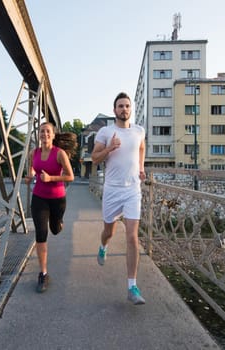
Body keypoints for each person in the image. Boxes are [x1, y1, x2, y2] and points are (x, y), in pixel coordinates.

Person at [91, 92, 146, 305]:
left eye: (127, 106)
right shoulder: (106, 131)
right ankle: (103, 246)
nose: (124, 109)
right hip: (112, 190)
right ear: (114, 110)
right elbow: (95, 159)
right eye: (120, 106)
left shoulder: (139, 131)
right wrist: (110, 148)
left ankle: (132, 286)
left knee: (132, 237)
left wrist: (141, 167)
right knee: (109, 231)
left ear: (131, 109)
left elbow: (141, 148)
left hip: (133, 190)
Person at [25, 122, 77, 293]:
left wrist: (51, 178)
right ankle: (43, 273)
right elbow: (33, 168)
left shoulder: (60, 154)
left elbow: (70, 177)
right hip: (39, 197)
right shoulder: (34, 153)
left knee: (55, 229)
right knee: (41, 234)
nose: (44, 134)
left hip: (57, 199)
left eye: (48, 132)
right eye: (42, 131)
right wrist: (30, 175)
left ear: (53, 135)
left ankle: (58, 222)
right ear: (38, 135)